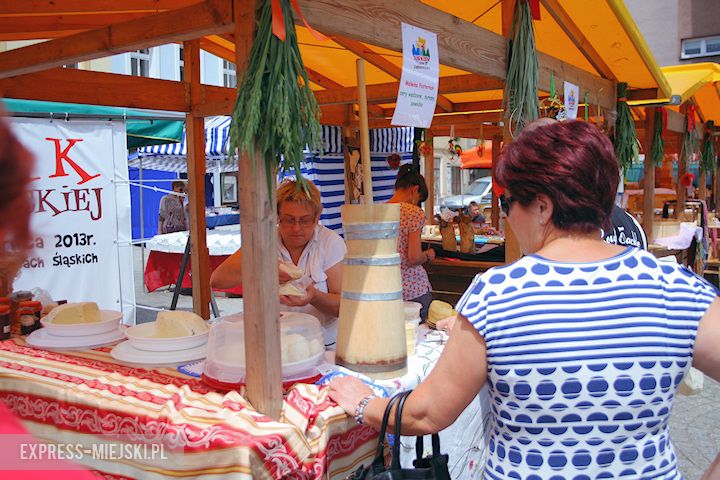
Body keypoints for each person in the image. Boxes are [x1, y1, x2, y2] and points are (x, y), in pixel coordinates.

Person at [328, 120, 720, 480]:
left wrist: (365, 404)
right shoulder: (672, 285)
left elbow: (428, 412)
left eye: (507, 202)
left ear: (543, 206)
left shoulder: (499, 292)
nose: (507, 216)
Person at [211, 179, 345, 348]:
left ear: (317, 217)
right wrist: (262, 268)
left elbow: (342, 306)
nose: (296, 228)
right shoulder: (263, 240)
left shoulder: (330, 243)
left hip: (322, 344)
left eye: (305, 220)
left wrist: (314, 297)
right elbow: (217, 280)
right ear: (277, 217)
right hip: (271, 343)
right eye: (288, 220)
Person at [387, 164, 435, 322]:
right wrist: (428, 255)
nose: (416, 204)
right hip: (413, 290)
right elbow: (413, 257)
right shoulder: (413, 213)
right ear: (415, 189)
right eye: (419, 199)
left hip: (387, 288)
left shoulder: (379, 210)